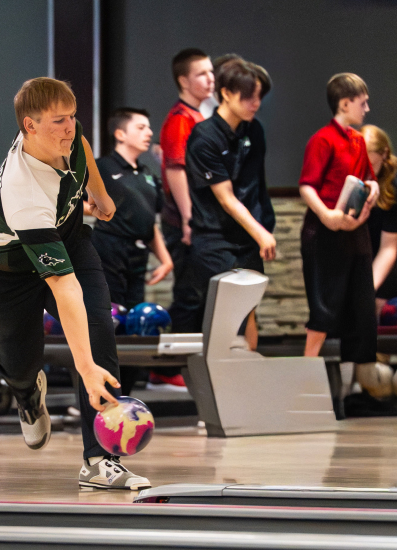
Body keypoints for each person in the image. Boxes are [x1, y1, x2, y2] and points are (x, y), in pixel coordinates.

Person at [0, 77, 149, 490]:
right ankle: (27, 395)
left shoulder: (66, 134)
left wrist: (99, 194)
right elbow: (63, 287)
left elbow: (83, 148)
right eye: (58, 121)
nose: (69, 127)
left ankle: (99, 459)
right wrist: (84, 369)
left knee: (99, 328)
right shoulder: (25, 191)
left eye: (72, 117)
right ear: (29, 127)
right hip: (5, 273)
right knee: (20, 364)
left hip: (68, 242)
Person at [174, 59, 275, 351]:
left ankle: (247, 380)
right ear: (227, 93)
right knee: (224, 316)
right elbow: (226, 197)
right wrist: (260, 233)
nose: (255, 103)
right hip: (214, 238)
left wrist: (262, 227)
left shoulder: (254, 131)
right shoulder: (203, 137)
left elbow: (254, 186)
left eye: (259, 96)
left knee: (249, 310)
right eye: (248, 96)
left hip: (248, 236)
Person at [298, 73, 379, 395]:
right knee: (324, 305)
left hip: (354, 232)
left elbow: (368, 177)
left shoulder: (358, 140)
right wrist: (327, 215)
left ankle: (350, 387)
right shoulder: (322, 139)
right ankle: (305, 382)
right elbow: (307, 184)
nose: (367, 109)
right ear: (345, 103)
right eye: (362, 103)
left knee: (360, 306)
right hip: (325, 232)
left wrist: (371, 188)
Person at [158, 48, 214, 390]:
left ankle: (190, 367)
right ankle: (168, 371)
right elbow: (176, 170)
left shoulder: (199, 117)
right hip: (186, 222)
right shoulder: (180, 119)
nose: (210, 79)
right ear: (183, 80)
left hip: (202, 219)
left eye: (211, 73)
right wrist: (191, 218)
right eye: (202, 74)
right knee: (189, 294)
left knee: (201, 294)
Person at [92, 108, 172, 310]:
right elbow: (71, 201)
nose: (149, 133)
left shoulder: (147, 175)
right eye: (141, 127)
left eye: (149, 128)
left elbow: (147, 220)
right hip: (109, 249)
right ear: (120, 134)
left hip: (139, 253)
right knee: (112, 312)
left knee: (134, 311)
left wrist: (165, 260)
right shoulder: (102, 167)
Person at [361, 124, 397, 316]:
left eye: (371, 166)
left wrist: (367, 289)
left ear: (384, 154)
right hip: (362, 244)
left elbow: (388, 249)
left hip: (389, 248)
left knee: (378, 307)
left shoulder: (396, 184)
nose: (366, 172)